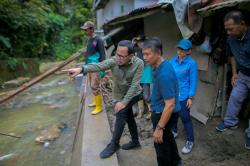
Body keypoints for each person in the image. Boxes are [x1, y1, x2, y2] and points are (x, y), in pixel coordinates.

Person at [63, 40, 144, 158]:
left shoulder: (139, 63)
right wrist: (81, 69)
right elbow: (98, 65)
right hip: (120, 94)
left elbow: (134, 85)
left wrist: (123, 102)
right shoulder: (114, 60)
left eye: (122, 56)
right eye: (117, 54)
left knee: (121, 113)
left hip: (134, 93)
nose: (118, 58)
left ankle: (114, 144)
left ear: (131, 56)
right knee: (129, 116)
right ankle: (135, 142)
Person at [142, 37, 182, 166]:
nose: (144, 57)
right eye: (143, 54)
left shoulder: (165, 73)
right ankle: (176, 161)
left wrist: (159, 127)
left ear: (158, 53)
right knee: (168, 138)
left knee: (161, 147)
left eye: (148, 54)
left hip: (164, 114)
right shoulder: (156, 66)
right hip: (163, 111)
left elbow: (170, 105)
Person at [215, 11, 250, 150]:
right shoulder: (231, 39)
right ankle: (230, 122)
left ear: (242, 24)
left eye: (231, 29)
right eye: (226, 29)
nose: (228, 32)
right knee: (235, 97)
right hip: (243, 74)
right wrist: (234, 73)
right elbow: (232, 57)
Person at [169, 39, 198, 154]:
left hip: (184, 96)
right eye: (179, 49)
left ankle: (190, 140)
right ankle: (174, 131)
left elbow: (193, 81)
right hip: (173, 94)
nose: (180, 52)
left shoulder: (191, 63)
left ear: (189, 51)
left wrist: (190, 97)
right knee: (173, 115)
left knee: (185, 118)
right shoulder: (172, 61)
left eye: (183, 50)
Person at [80, 21, 106, 115]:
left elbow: (103, 54)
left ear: (91, 29)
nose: (85, 32)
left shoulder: (99, 40)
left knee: (94, 86)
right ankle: (95, 102)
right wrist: (85, 66)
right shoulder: (89, 40)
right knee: (92, 84)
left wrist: (103, 68)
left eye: (86, 30)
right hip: (89, 65)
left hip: (96, 66)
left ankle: (99, 107)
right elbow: (88, 54)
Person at [132, 35, 153, 119]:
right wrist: (133, 43)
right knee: (139, 93)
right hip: (138, 73)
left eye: (141, 41)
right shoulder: (136, 50)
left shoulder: (148, 50)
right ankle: (141, 111)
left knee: (146, 94)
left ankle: (151, 111)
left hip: (146, 72)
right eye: (138, 42)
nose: (140, 43)